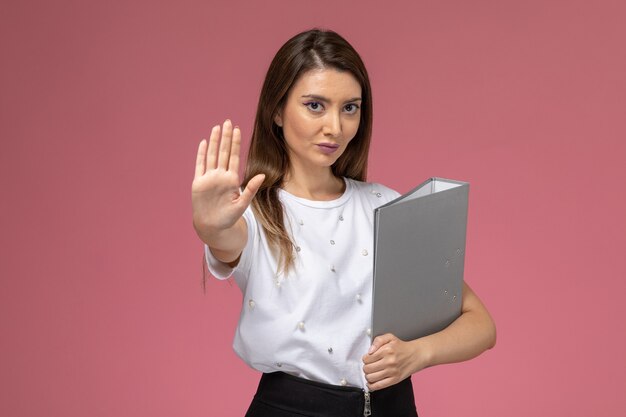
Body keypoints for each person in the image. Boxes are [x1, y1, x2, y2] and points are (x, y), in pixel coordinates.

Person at [192, 28, 496, 417]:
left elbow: (481, 325)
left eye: (349, 107)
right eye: (315, 105)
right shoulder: (253, 212)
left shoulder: (387, 207)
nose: (335, 127)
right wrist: (210, 226)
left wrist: (417, 354)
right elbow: (225, 239)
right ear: (277, 111)